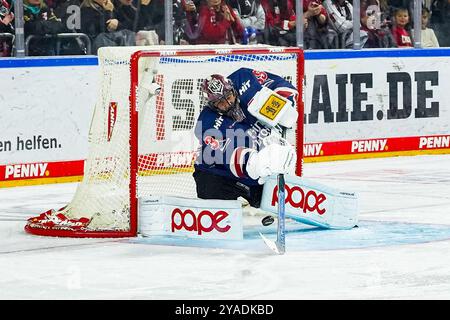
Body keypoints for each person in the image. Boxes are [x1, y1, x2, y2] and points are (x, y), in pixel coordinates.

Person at [193, 68, 298, 208]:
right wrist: (258, 162)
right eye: (220, 103)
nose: (228, 104)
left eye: (228, 97)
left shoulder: (243, 78)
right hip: (219, 175)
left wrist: (282, 110)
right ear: (212, 105)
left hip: (253, 171)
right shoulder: (207, 123)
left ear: (232, 88)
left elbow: (282, 86)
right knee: (213, 193)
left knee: (276, 201)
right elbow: (229, 155)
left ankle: (253, 194)